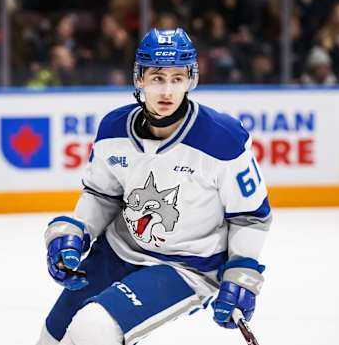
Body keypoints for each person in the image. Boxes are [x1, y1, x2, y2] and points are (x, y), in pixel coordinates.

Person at [37, 28, 272, 345]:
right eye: (157, 78)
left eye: (178, 78)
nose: (167, 90)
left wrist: (242, 269)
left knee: (93, 329)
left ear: (191, 79)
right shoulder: (112, 129)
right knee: (52, 337)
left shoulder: (222, 138)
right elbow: (101, 195)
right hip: (118, 251)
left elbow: (250, 215)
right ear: (139, 79)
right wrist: (78, 231)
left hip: (186, 265)